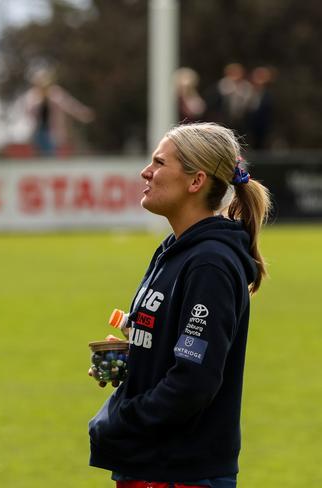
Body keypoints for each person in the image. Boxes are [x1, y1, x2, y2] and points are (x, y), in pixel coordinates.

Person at [88, 122, 271, 488]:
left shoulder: (209, 264)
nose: (146, 171)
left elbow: (194, 380)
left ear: (195, 181)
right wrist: (134, 360)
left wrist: (123, 418)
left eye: (158, 162)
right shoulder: (174, 250)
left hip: (179, 473)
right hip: (152, 465)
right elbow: (175, 346)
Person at [24, 68, 95, 156]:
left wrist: (82, 113)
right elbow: (28, 112)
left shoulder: (55, 94)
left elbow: (70, 105)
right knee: (38, 155)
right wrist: (41, 99)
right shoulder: (32, 96)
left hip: (52, 132)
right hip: (37, 131)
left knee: (50, 154)